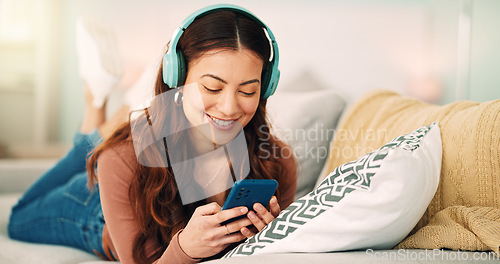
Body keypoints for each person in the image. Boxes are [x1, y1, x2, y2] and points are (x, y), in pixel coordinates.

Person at [8, 4, 297, 264]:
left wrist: (266, 239)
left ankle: (103, 118)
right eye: (212, 87)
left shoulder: (276, 164)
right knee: (19, 217)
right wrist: (185, 248)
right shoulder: (122, 159)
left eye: (248, 90)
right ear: (178, 79)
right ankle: (94, 107)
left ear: (266, 87)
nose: (229, 107)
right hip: (98, 215)